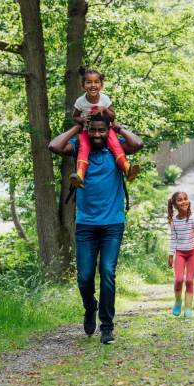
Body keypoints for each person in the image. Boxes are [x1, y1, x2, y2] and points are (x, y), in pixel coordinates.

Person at [48, 113, 143, 344]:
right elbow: (53, 145)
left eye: (102, 131)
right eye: (94, 131)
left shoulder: (116, 147)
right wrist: (77, 128)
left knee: (108, 273)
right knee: (84, 277)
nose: (98, 135)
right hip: (86, 225)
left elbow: (137, 143)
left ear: (107, 130)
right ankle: (90, 306)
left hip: (112, 223)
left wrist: (118, 128)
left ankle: (107, 327)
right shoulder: (80, 146)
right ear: (89, 130)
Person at [69, 66, 140, 188]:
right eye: (89, 82)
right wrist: (82, 120)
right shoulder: (80, 101)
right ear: (83, 85)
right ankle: (80, 175)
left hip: (106, 130)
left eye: (96, 82)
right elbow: (75, 117)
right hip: (88, 130)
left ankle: (127, 169)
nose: (93, 85)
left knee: (116, 145)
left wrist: (105, 110)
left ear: (101, 85)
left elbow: (113, 117)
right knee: (83, 149)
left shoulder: (105, 98)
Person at [167, 191, 194, 319]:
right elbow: (173, 239)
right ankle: (178, 301)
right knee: (179, 279)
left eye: (185, 199)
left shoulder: (192, 218)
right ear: (175, 205)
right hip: (180, 253)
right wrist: (170, 255)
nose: (184, 201)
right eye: (180, 200)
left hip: (192, 253)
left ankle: (188, 308)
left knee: (189, 280)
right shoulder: (174, 221)